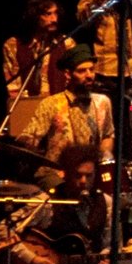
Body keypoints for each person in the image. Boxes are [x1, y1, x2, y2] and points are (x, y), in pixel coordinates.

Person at [19, 45, 114, 189]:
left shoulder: (102, 102)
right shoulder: (51, 104)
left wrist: (103, 158)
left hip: (89, 174)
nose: (89, 75)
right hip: (56, 174)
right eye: (82, 71)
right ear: (68, 74)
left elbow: (108, 135)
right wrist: (24, 144)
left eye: (91, 69)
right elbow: (29, 141)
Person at [2, 0, 70, 102]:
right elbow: (13, 86)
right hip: (28, 105)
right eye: (48, 14)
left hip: (59, 106)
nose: (54, 19)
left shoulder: (66, 43)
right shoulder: (14, 45)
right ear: (34, 16)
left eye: (56, 13)